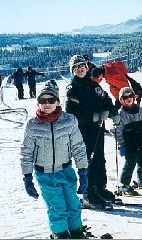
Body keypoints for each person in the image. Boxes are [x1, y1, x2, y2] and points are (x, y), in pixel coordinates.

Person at [20, 80, 89, 239]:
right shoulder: (32, 124)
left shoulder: (69, 120)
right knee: (57, 206)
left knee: (73, 203)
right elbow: (26, 152)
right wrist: (27, 177)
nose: (46, 104)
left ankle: (76, 231)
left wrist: (83, 170)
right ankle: (61, 233)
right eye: (42, 101)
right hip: (45, 174)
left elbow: (78, 147)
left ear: (58, 102)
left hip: (66, 170)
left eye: (51, 100)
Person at [65, 55, 119, 210]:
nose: (80, 69)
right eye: (76, 67)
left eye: (82, 66)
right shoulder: (72, 89)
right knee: (88, 161)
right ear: (73, 71)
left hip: (97, 129)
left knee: (99, 159)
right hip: (82, 131)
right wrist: (93, 116)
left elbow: (105, 99)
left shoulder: (94, 85)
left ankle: (99, 188)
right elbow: (72, 114)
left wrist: (113, 112)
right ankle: (88, 193)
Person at [115, 87, 142, 195]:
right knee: (130, 162)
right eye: (126, 97)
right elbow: (118, 131)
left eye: (131, 96)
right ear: (121, 100)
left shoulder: (141, 111)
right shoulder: (121, 115)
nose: (129, 99)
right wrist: (121, 144)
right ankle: (124, 184)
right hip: (129, 143)